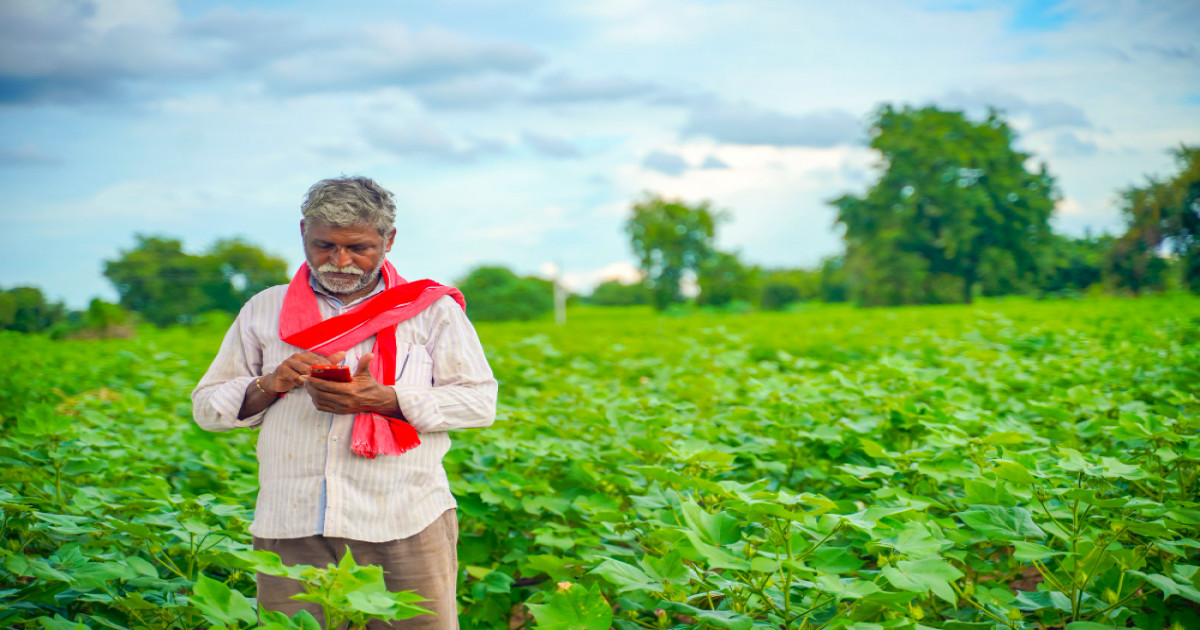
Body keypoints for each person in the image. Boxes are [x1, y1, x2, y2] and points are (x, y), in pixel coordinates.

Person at [192, 176, 497, 629]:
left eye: (358, 247)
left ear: (388, 240)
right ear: (302, 233)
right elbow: (208, 408)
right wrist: (270, 383)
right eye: (324, 245)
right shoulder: (263, 309)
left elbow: (479, 403)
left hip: (403, 520)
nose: (340, 261)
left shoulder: (430, 311)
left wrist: (387, 399)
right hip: (291, 526)